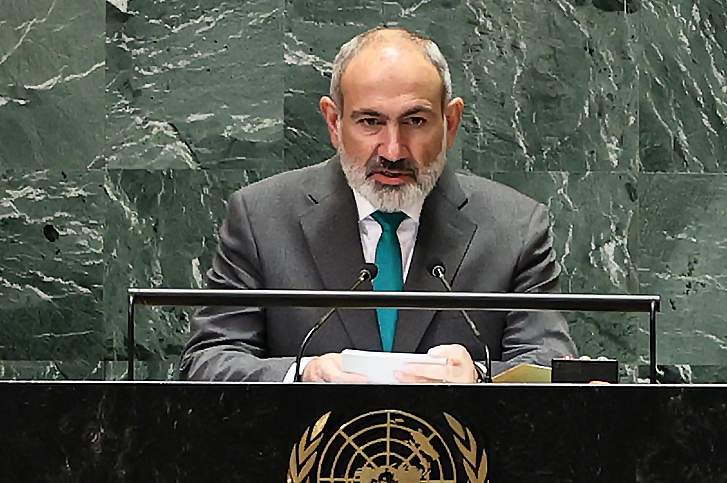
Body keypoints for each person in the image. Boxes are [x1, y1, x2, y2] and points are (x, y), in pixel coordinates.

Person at [180, 26, 576, 383]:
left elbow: (551, 364)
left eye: (415, 121)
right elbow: (208, 361)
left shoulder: (515, 228)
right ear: (333, 122)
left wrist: (480, 375)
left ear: (450, 123)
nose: (392, 150)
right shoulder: (260, 218)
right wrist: (300, 374)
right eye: (370, 122)